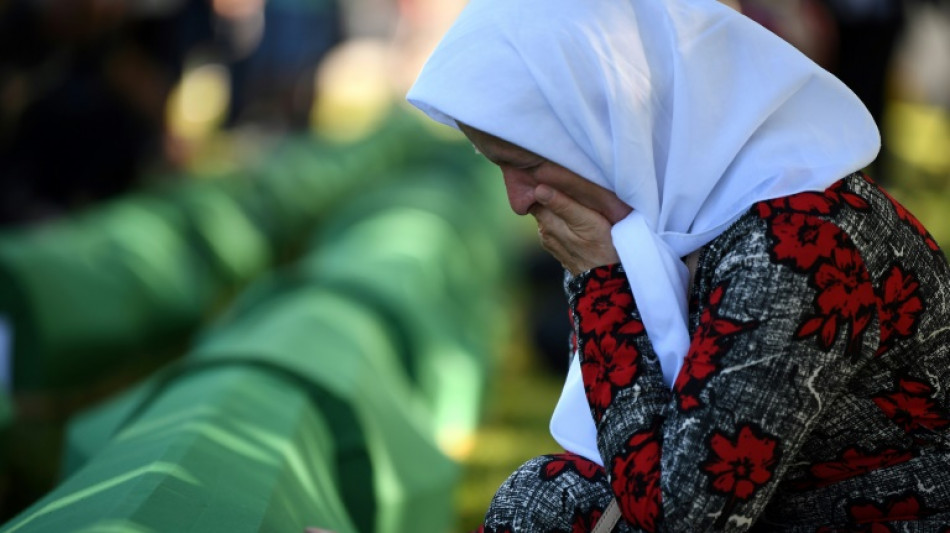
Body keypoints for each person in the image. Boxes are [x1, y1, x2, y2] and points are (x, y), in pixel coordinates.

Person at [406, 0, 950, 530]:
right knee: (550, 496)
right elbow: (635, 457)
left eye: (526, 164)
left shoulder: (797, 243)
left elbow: (682, 514)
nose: (518, 201)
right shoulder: (690, 212)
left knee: (550, 506)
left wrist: (602, 283)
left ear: (609, 126)